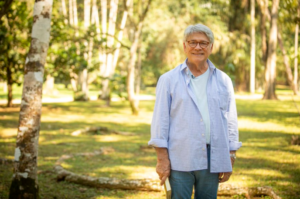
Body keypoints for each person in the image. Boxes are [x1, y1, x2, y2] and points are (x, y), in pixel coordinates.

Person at [148, 24, 242, 199]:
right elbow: (160, 122)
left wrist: (230, 155)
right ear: (184, 46)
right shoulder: (168, 79)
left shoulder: (224, 80)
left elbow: (231, 120)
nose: (198, 47)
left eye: (203, 43)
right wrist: (162, 159)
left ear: (211, 47)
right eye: (192, 42)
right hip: (179, 157)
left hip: (213, 157)